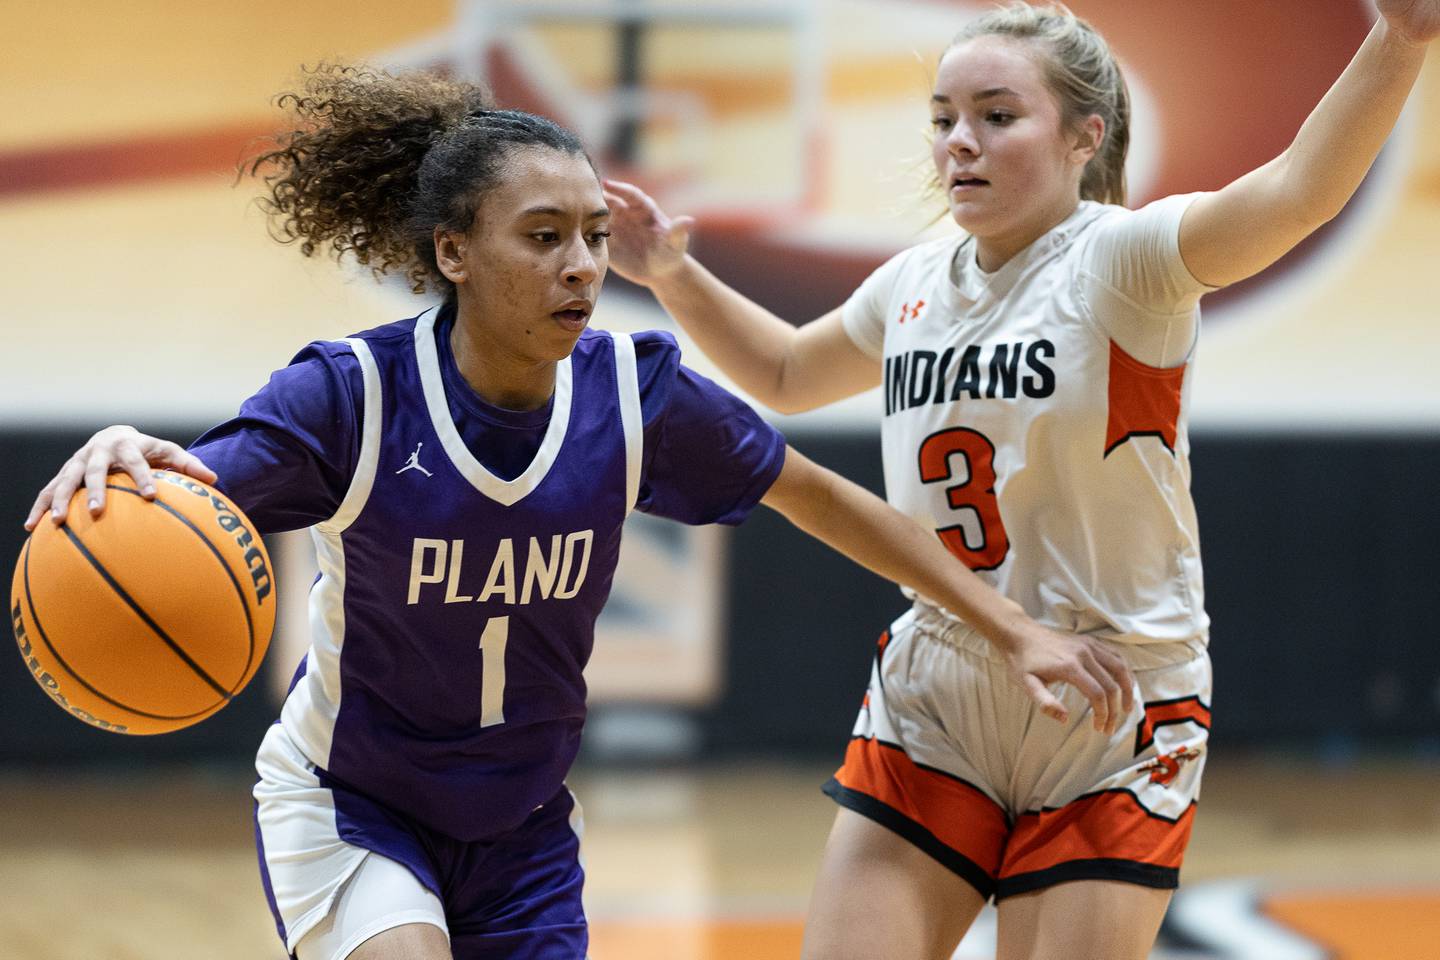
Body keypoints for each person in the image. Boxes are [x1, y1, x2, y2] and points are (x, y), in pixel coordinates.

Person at [22, 62, 1131, 960]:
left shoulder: (635, 396)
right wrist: (135, 466)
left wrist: (1013, 626)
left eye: (596, 236)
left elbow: (824, 498)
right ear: (453, 253)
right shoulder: (352, 396)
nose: (584, 268)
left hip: (521, 829)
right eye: (544, 236)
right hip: (356, 803)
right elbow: (191, 503)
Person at [601, 2, 1440, 957]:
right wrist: (672, 274)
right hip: (944, 678)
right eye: (943, 117)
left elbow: (1297, 193)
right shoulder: (913, 280)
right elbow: (788, 373)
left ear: (1087, 136)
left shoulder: (1124, 259)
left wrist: (1400, 41)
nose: (960, 141)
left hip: (1113, 692)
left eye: (998, 116)